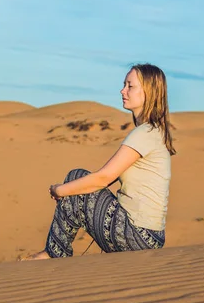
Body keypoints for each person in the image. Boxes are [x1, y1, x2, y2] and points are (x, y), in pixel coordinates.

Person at [19, 63, 176, 261]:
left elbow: (103, 178)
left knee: (76, 177)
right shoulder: (152, 132)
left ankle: (53, 254)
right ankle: (53, 253)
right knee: (78, 183)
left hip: (137, 235)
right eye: (124, 85)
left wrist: (61, 191)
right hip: (149, 237)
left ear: (148, 92)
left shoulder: (145, 133)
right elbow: (105, 180)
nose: (123, 90)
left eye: (130, 86)